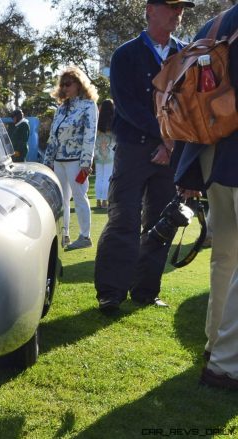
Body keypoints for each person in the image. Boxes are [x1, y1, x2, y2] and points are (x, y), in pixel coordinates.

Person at [94, 0, 193, 312]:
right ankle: (111, 292)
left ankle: (146, 291)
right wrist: (163, 137)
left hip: (172, 150)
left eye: (182, 8)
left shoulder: (187, 54)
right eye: (172, 7)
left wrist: (172, 143)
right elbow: (126, 105)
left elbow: (192, 103)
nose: (178, 12)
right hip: (134, 150)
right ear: (151, 10)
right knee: (123, 219)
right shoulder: (125, 54)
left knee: (162, 223)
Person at [175, 1, 238, 391]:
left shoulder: (211, 26)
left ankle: (215, 345)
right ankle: (226, 364)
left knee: (225, 258)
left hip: (212, 155)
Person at [43, 66, 98, 251]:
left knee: (79, 197)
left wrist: (86, 162)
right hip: (58, 161)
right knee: (62, 200)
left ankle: (85, 236)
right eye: (62, 84)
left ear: (79, 84)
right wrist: (47, 162)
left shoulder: (89, 106)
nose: (64, 88)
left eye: (68, 84)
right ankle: (64, 234)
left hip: (76, 161)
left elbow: (90, 135)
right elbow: (53, 135)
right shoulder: (61, 108)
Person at [94, 99, 116, 209]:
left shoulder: (97, 121)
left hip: (98, 153)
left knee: (99, 177)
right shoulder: (113, 122)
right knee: (107, 177)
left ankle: (98, 200)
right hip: (110, 153)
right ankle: (105, 201)